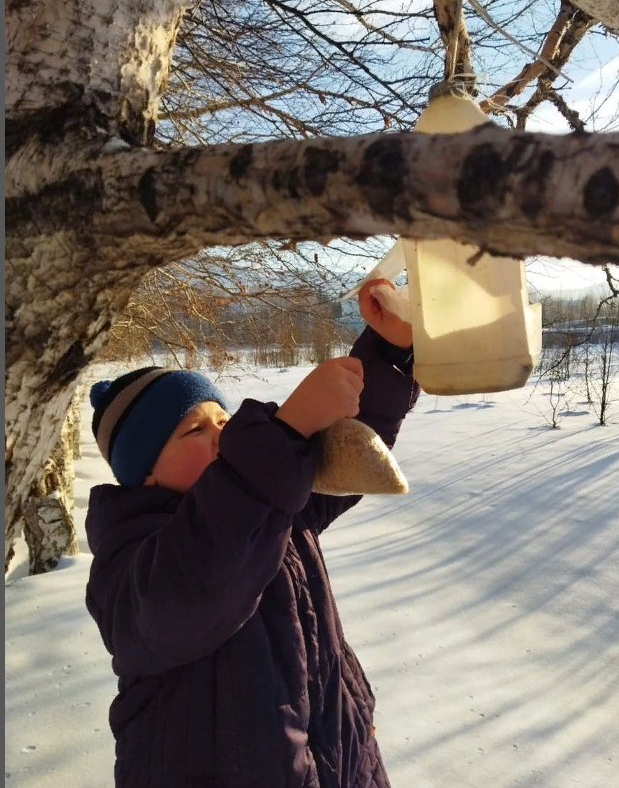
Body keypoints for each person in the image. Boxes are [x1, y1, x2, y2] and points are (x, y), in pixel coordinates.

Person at [85, 279, 419, 788]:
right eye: (195, 429)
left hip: (339, 757)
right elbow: (202, 575)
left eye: (224, 418)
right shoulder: (132, 563)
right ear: (145, 471)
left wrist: (390, 351)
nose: (223, 434)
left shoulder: (271, 504)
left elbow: (344, 448)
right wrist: (282, 435)